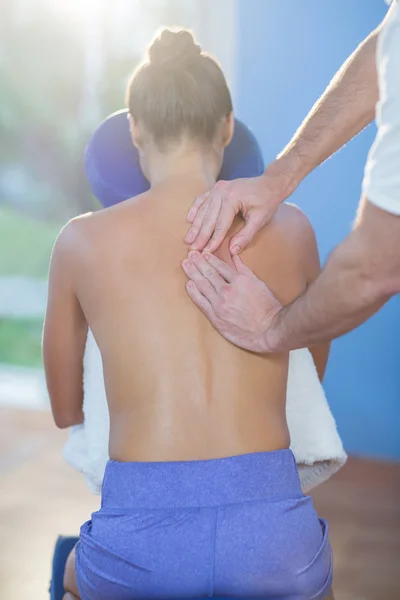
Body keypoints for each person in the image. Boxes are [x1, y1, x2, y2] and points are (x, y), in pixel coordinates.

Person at [43, 29, 334, 600]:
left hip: (140, 548)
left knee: (70, 567)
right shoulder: (294, 230)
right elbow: (311, 378)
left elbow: (64, 409)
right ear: (228, 126)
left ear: (134, 131)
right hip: (276, 543)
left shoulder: (80, 241)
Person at [182, 1, 400, 354]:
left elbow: (375, 269)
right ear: (227, 125)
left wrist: (272, 330)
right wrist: (278, 178)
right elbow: (387, 51)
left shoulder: (87, 239)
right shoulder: (294, 229)